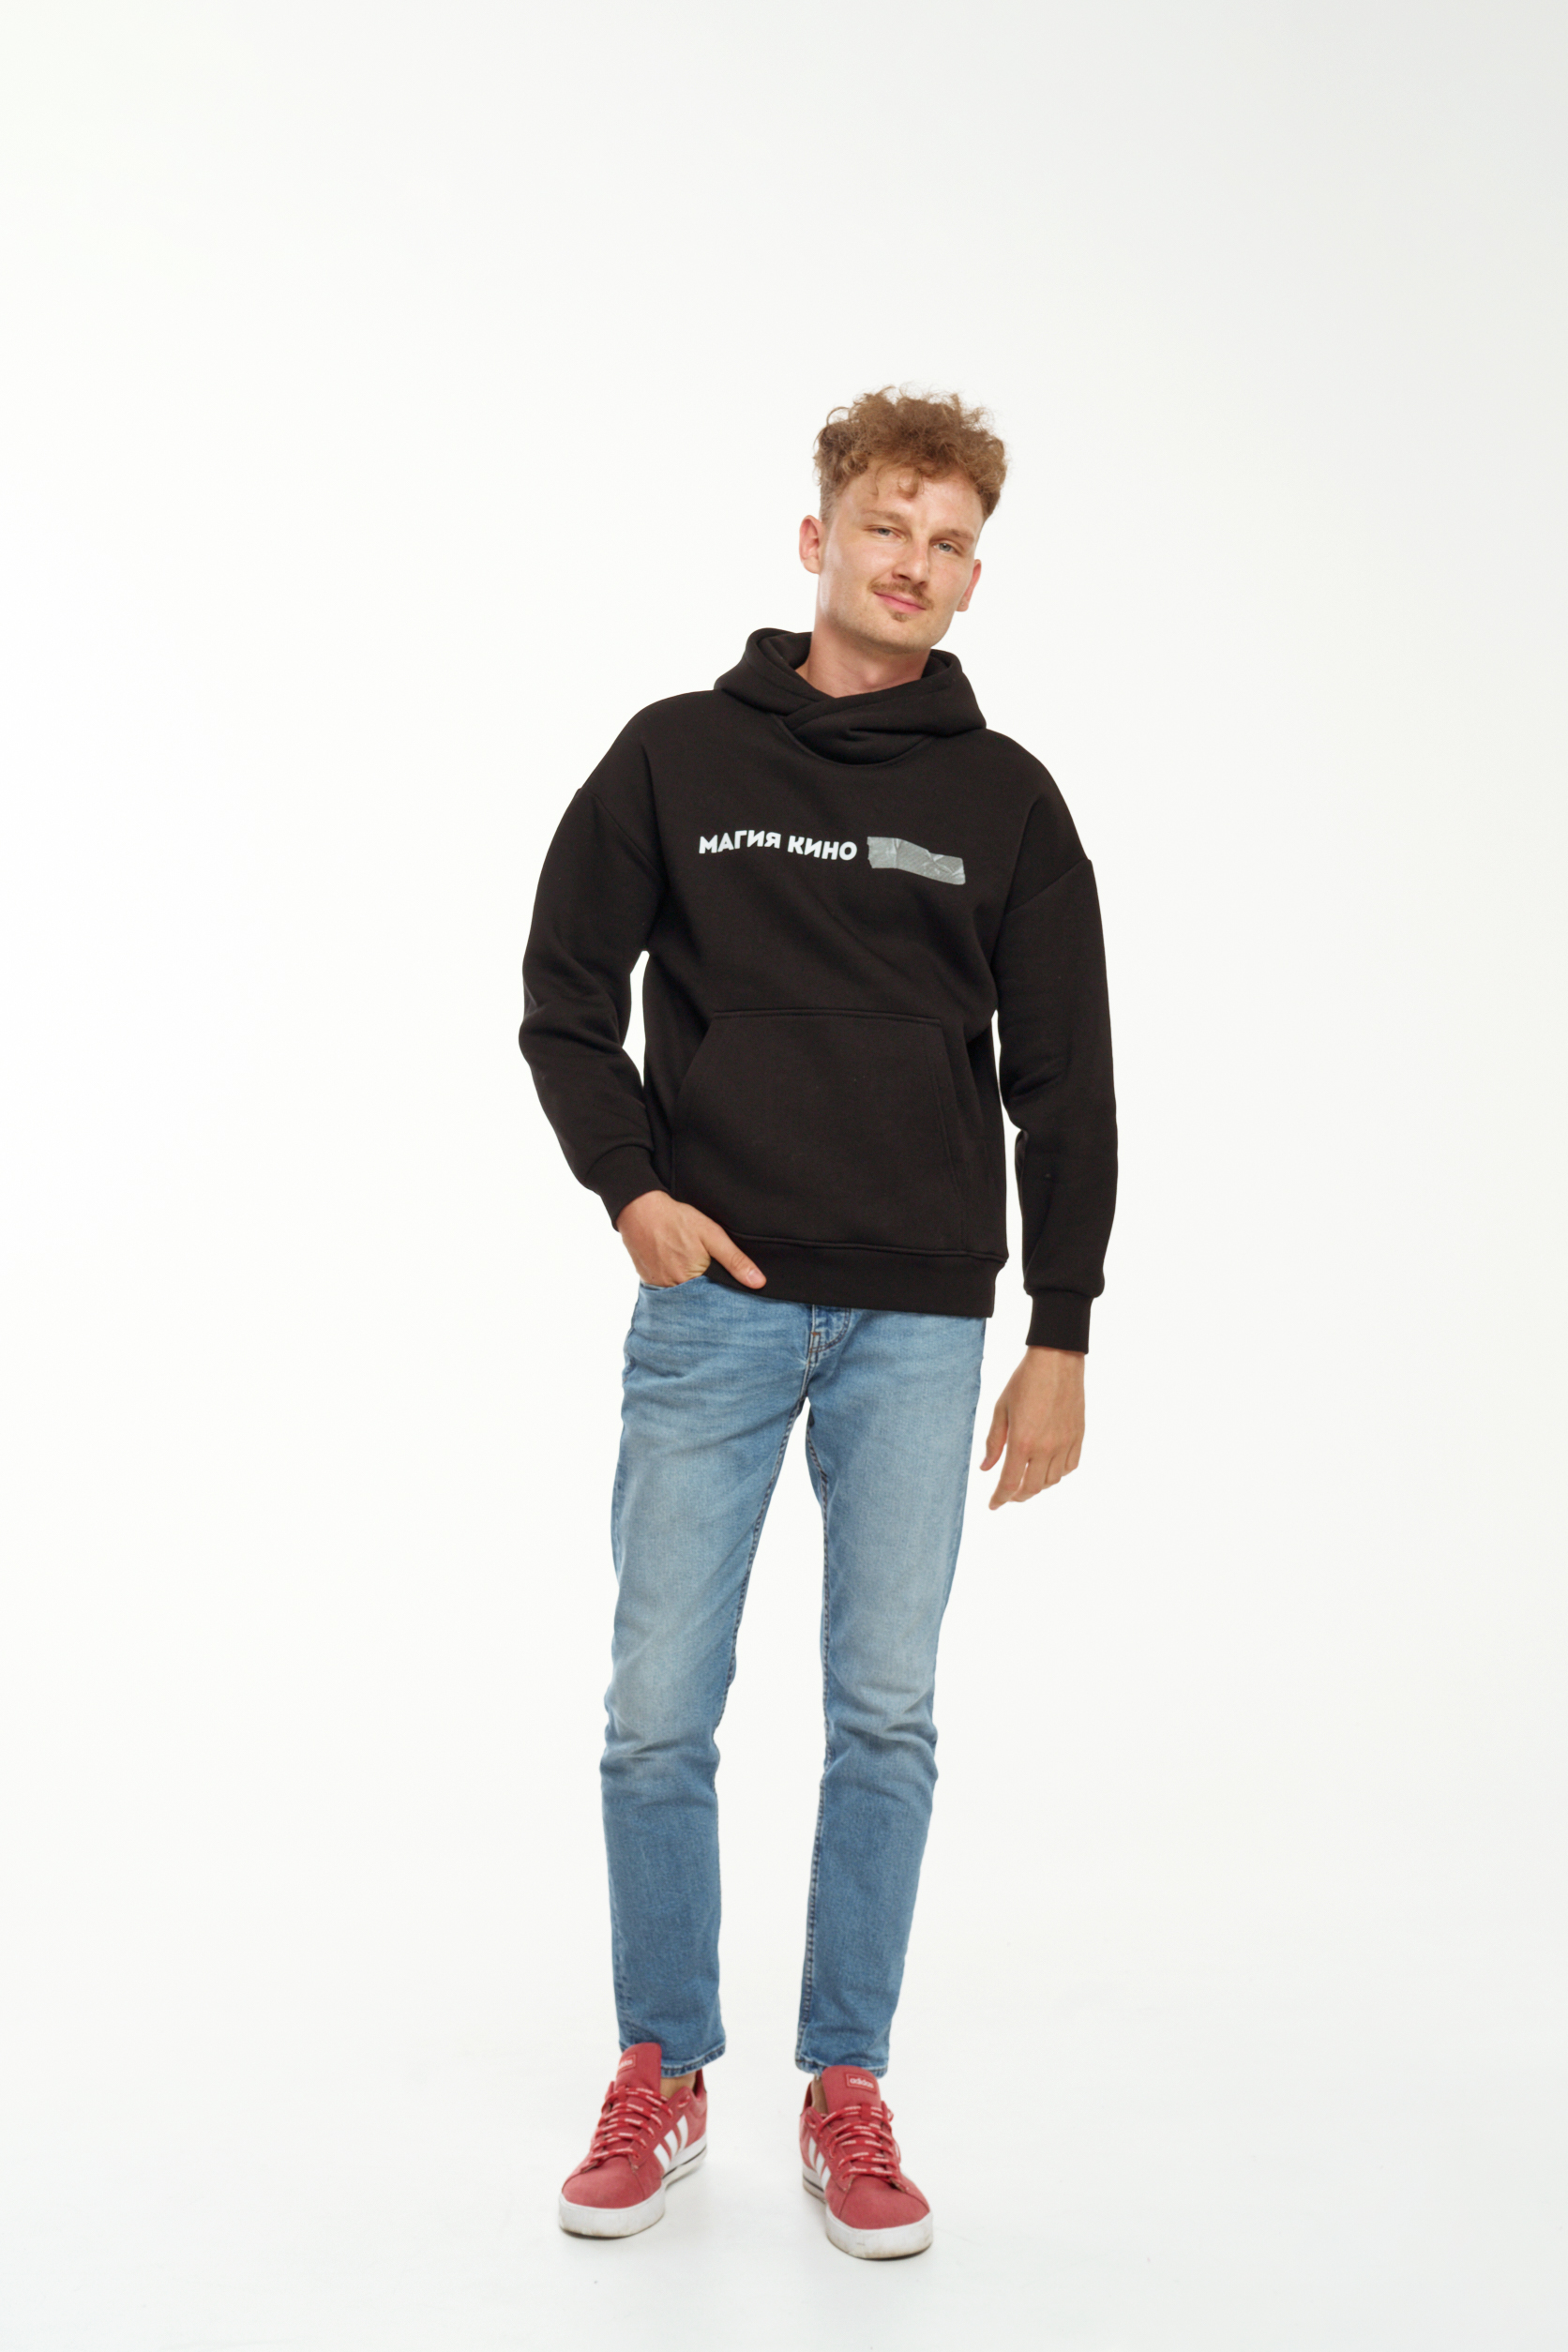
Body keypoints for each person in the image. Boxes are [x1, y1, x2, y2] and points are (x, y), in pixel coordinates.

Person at [519, 387, 1117, 2260]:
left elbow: (1067, 1083)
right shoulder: (675, 755)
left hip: (923, 1322)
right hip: (714, 1305)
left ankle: (844, 2083)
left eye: (950, 546)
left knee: (885, 1715)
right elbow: (561, 994)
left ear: (971, 574)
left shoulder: (1006, 801)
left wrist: (1061, 1328)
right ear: (817, 539)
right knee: (655, 1713)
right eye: (887, 529)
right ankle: (662, 2066)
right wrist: (633, 1193)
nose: (913, 566)